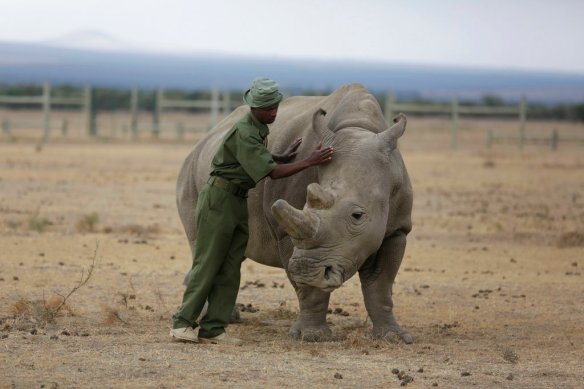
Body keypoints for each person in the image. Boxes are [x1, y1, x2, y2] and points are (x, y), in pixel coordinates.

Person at [170, 77, 334, 345]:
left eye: (275, 107)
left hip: (237, 199)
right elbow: (272, 173)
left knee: (231, 265)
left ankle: (213, 329)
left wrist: (281, 155)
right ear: (253, 107)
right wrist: (309, 161)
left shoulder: (259, 127)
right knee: (208, 263)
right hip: (219, 199)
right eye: (268, 108)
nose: (273, 113)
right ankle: (182, 323)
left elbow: (253, 159)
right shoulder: (245, 130)